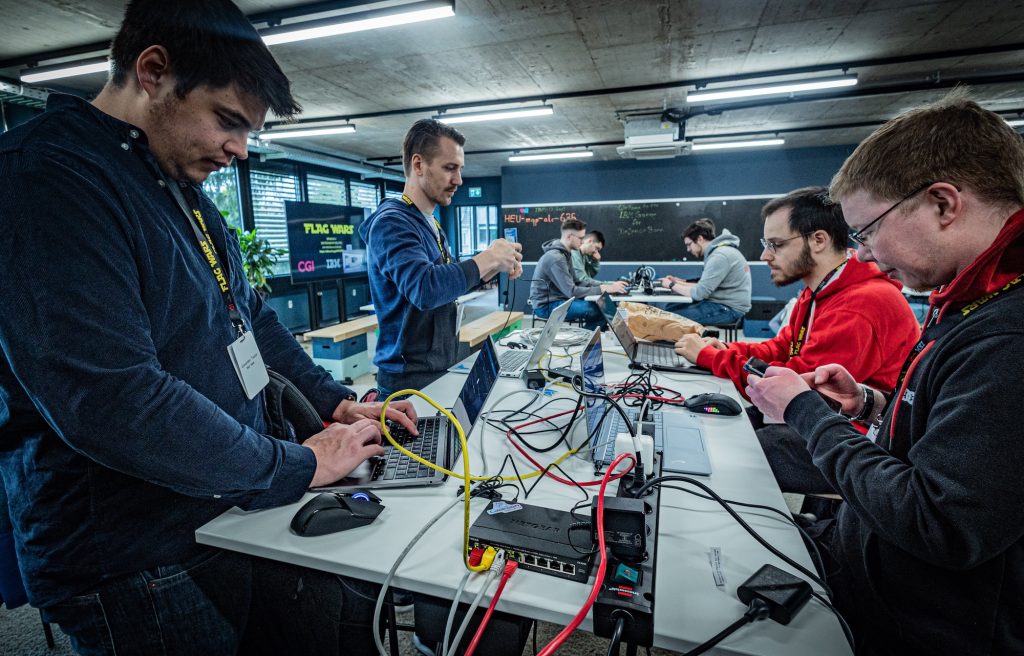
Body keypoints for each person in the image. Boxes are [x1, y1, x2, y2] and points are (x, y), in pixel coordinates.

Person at [0, 2, 419, 654]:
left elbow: (248, 322)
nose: (241, 150)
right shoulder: (47, 179)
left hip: (217, 513)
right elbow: (114, 402)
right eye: (229, 121)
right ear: (154, 71)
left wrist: (338, 402)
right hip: (130, 556)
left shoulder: (176, 190)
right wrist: (296, 463)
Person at [745, 92, 1024, 655]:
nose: (866, 254)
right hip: (877, 571)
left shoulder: (1007, 333)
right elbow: (951, 435)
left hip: (921, 625)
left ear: (943, 204)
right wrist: (875, 406)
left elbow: (939, 522)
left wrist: (804, 412)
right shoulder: (970, 298)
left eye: (868, 231)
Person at [674, 187, 920, 492]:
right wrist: (726, 348)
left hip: (858, 441)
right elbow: (783, 347)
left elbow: (796, 386)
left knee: (738, 453)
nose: (765, 255)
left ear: (818, 240)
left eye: (776, 245)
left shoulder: (861, 305)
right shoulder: (818, 291)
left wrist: (711, 358)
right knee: (722, 425)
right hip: (825, 418)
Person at [360, 119, 522, 397]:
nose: (458, 180)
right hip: (409, 381)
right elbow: (425, 288)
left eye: (459, 169)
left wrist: (493, 265)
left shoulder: (430, 223)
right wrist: (486, 258)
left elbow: (448, 285)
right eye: (450, 168)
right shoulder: (392, 223)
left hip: (440, 365)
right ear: (419, 165)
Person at [529, 219, 626, 329]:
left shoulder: (565, 254)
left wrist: (605, 287)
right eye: (580, 238)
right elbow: (571, 291)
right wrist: (602, 288)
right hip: (546, 306)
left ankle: (589, 339)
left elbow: (577, 281)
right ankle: (585, 343)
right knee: (599, 310)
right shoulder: (556, 258)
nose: (582, 241)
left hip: (560, 299)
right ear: (569, 237)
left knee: (605, 307)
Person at [659, 219, 751, 325]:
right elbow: (703, 284)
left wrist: (670, 284)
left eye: (689, 244)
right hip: (721, 303)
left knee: (669, 317)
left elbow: (699, 293)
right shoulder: (719, 252)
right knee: (671, 307)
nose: (688, 249)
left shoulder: (719, 256)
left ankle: (689, 341)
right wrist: (679, 282)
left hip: (730, 310)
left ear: (700, 239)